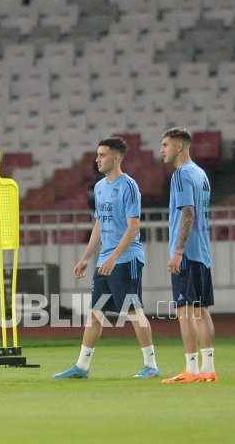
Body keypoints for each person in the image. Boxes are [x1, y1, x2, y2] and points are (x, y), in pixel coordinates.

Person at [54, 137, 159, 379]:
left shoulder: (129, 186)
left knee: (133, 311)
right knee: (95, 313)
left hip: (126, 258)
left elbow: (133, 228)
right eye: (97, 155)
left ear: (116, 157)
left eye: (102, 155)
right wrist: (85, 258)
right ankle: (81, 367)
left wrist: (113, 257)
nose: (97, 159)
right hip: (106, 260)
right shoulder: (100, 187)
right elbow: (99, 225)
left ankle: (151, 366)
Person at [160, 128, 217, 383]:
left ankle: (192, 370)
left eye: (165, 145)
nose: (161, 150)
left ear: (179, 146)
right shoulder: (201, 174)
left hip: (188, 252)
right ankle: (209, 369)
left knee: (185, 310)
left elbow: (188, 213)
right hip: (203, 251)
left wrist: (178, 251)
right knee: (202, 311)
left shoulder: (181, 175)